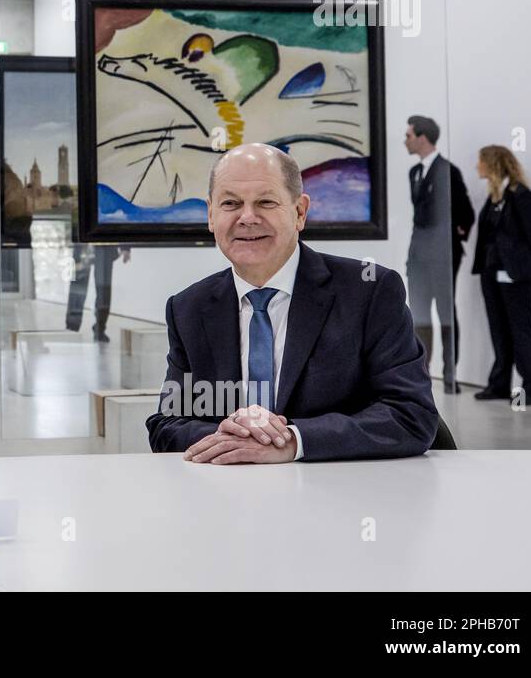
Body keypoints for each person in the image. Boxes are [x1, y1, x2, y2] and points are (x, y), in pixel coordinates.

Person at [146, 143, 437, 462]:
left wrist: (293, 441)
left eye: (266, 202)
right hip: (228, 497)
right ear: (211, 215)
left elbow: (410, 415)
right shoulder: (188, 308)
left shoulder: (371, 292)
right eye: (230, 203)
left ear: (300, 212)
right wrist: (234, 437)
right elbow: (168, 424)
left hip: (342, 496)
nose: (247, 217)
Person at [403, 115, 475, 393]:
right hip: (419, 257)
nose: (405, 141)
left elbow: (466, 213)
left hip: (443, 257)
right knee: (419, 315)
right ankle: (422, 376)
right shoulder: (414, 173)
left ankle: (449, 376)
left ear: (422, 137)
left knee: (446, 314)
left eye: (408, 135)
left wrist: (453, 235)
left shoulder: (448, 171)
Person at [471, 146, 531, 405]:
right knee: (498, 328)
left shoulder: (521, 195)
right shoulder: (493, 197)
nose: (477, 166)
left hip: (516, 275)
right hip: (491, 272)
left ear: (492, 164)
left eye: (480, 162)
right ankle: (499, 384)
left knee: (521, 328)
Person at [65, 244, 131, 342]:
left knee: (103, 290)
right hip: (83, 239)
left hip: (103, 241)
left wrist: (125, 247)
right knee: (78, 287)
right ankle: (72, 327)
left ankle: (99, 328)